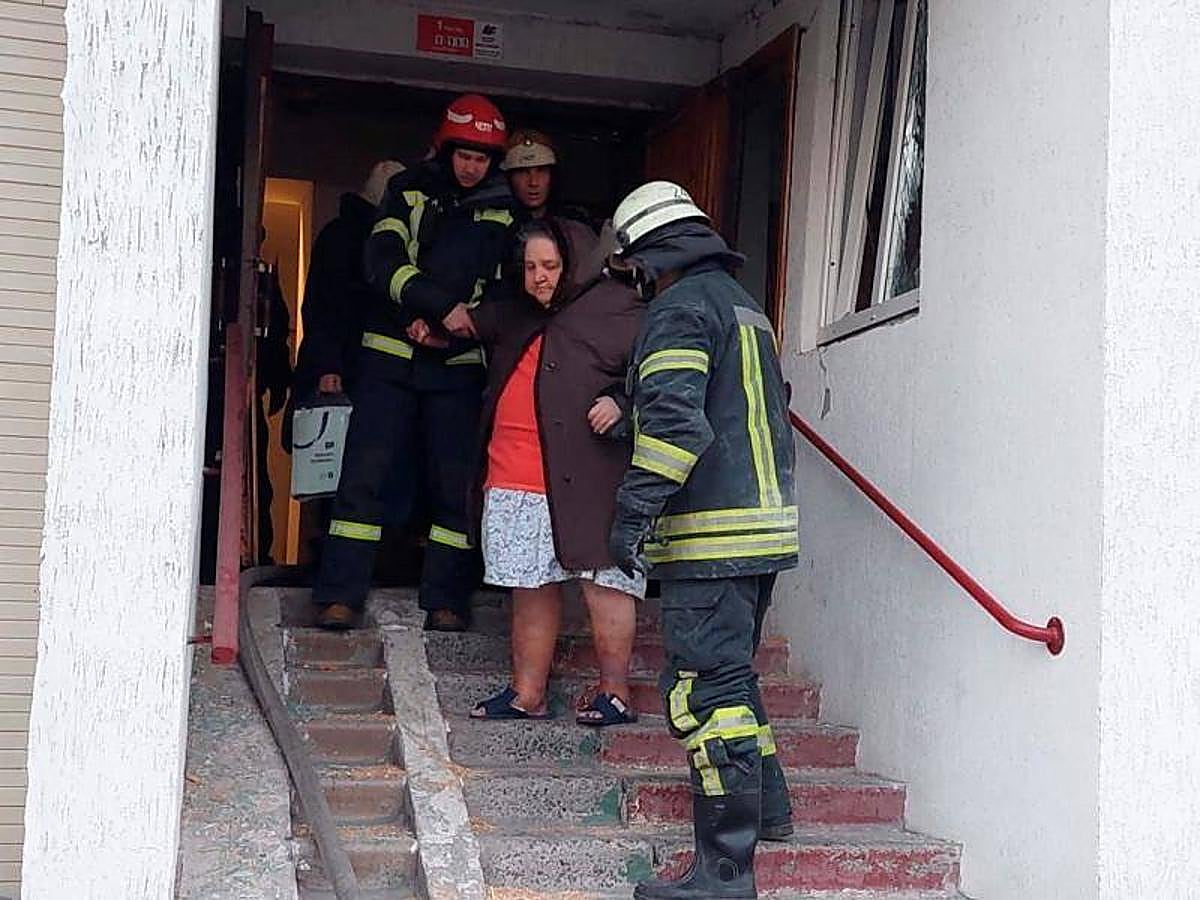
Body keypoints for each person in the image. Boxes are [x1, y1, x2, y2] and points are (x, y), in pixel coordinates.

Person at [605, 181, 799, 899]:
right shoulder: (746, 308)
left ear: (648, 255)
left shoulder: (678, 309)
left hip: (710, 537)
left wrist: (631, 515)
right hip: (763, 529)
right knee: (734, 681)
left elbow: (678, 427)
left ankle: (723, 873)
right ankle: (769, 811)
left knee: (703, 695)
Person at [424, 217, 644, 724]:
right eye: (529, 267)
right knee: (529, 588)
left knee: (605, 581)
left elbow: (661, 374)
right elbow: (462, 323)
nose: (539, 277)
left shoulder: (619, 308)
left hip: (592, 475)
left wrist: (622, 402)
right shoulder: (516, 313)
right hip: (515, 474)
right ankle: (527, 694)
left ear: (574, 264)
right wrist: (426, 319)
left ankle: (616, 693)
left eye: (549, 265)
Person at [312, 94, 515, 632]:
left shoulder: (503, 208)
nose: (472, 167)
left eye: (483, 158)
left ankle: (447, 599)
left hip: (457, 367)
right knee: (364, 477)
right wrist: (429, 309)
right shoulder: (408, 190)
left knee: (454, 486)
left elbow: (508, 290)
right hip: (390, 357)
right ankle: (339, 596)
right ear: (445, 149)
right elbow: (380, 261)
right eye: (464, 155)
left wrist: (459, 324)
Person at [286, 160, 405, 564]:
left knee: (346, 473)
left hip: (362, 370)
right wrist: (328, 367)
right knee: (334, 473)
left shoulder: (354, 235)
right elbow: (325, 309)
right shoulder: (351, 240)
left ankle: (341, 562)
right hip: (344, 371)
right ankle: (331, 562)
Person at [501, 129, 595, 229]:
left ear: (553, 176)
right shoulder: (496, 225)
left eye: (541, 171)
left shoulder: (575, 221)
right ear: (508, 177)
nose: (533, 182)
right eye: (522, 172)